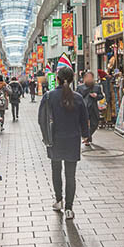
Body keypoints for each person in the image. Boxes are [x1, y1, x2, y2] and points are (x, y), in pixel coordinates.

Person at [38, 66, 89, 219]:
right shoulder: (78, 98)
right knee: (70, 175)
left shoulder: (49, 96)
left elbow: (41, 119)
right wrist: (85, 135)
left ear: (57, 79)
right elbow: (84, 120)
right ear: (72, 79)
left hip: (54, 140)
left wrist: (45, 136)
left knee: (56, 171)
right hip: (73, 140)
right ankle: (69, 208)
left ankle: (58, 200)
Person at [77, 72, 104, 146]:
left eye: (90, 77)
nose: (89, 79)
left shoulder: (97, 87)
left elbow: (101, 96)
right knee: (84, 123)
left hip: (93, 107)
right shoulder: (80, 87)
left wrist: (96, 96)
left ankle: (87, 136)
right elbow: (77, 97)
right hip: (83, 108)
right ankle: (87, 138)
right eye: (87, 77)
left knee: (95, 123)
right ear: (84, 78)